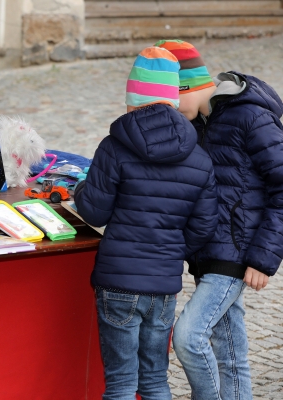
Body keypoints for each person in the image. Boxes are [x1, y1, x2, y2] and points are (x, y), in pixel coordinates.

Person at [74, 46, 218, 400]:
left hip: (118, 281)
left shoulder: (114, 146)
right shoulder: (199, 157)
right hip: (163, 285)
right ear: (172, 98)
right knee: (155, 381)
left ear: (133, 99)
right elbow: (204, 225)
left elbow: (94, 212)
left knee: (122, 383)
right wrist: (170, 252)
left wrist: (79, 188)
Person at [155, 39, 283, 399]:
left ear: (190, 86)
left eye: (171, 99)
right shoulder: (195, 124)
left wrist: (263, 257)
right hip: (207, 253)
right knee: (230, 351)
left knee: (189, 337)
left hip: (237, 254)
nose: (169, 110)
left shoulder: (248, 115)